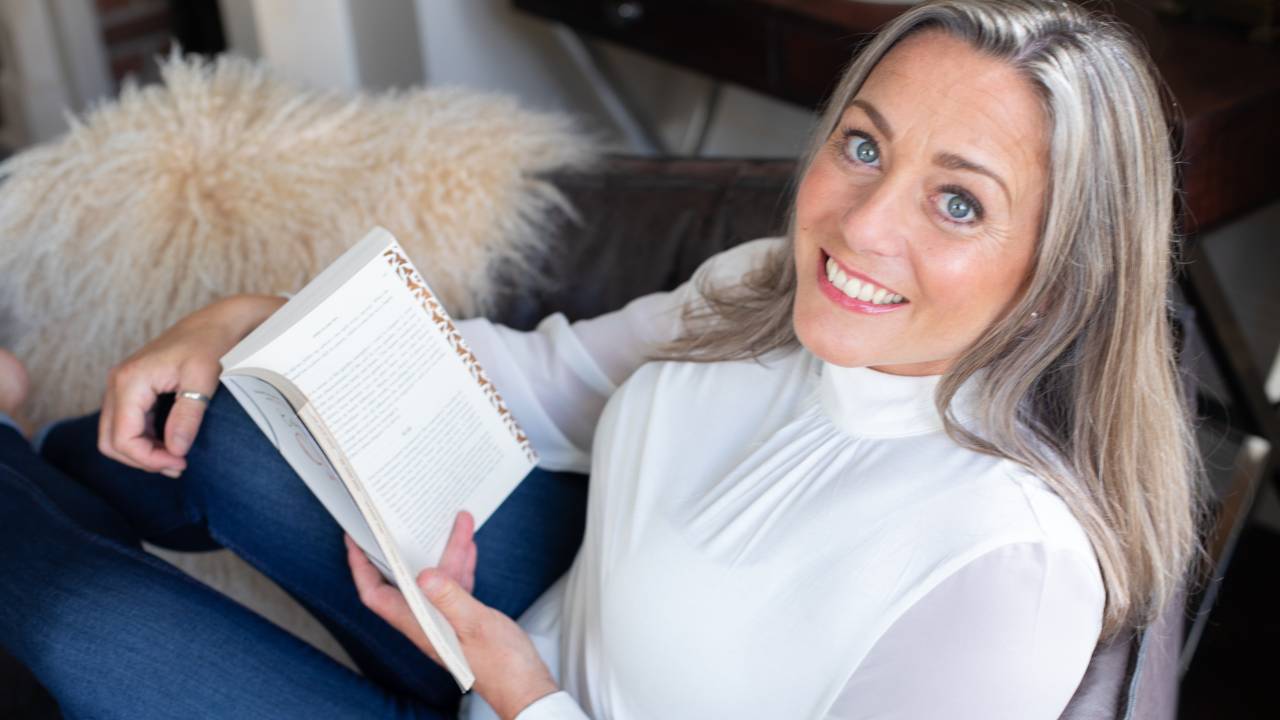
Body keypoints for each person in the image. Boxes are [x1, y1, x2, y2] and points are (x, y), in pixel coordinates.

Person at [0, 0, 1208, 718]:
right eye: (861, 145)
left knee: (79, 627)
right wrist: (255, 315)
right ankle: (44, 472)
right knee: (244, 414)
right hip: (508, 636)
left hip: (525, 686)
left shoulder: (1005, 567)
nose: (861, 225)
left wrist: (524, 693)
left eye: (958, 205)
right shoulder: (765, 287)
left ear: (1063, 266)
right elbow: (539, 380)